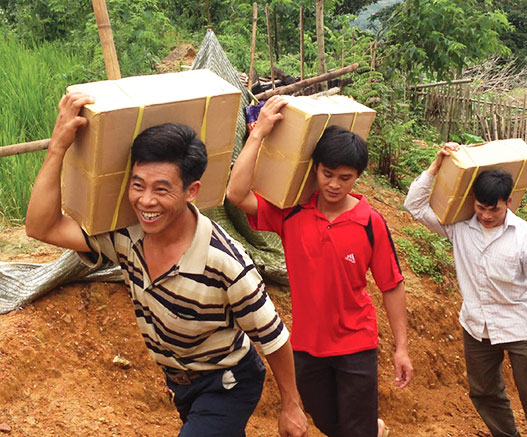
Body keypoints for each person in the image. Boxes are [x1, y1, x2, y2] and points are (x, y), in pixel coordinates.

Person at [25, 92, 308, 437]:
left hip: (228, 381)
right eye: (138, 185)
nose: (146, 201)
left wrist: (291, 406)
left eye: (162, 189)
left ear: (192, 191)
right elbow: (43, 226)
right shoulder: (126, 238)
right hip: (180, 382)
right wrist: (58, 147)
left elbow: (274, 338)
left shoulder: (226, 264)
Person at [226, 96, 413, 437]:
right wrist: (258, 135)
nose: (334, 185)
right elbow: (237, 194)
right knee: (328, 422)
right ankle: (374, 429)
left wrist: (401, 348)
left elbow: (391, 285)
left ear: (357, 176)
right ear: (315, 168)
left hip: (357, 343)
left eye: (345, 177)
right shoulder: (292, 212)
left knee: (353, 431)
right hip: (306, 346)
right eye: (327, 174)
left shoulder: (370, 223)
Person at [404, 144, 527, 437]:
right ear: (473, 201)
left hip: (522, 328)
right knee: (483, 391)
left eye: (495, 209)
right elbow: (414, 206)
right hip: (476, 326)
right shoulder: (459, 228)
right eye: (481, 207)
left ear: (509, 202)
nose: (487, 215)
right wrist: (436, 165)